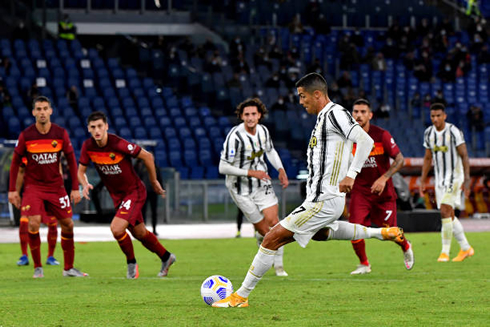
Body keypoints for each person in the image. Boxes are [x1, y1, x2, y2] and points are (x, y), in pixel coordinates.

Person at [213, 73, 410, 308]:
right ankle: (383, 233)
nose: (300, 101)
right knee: (320, 233)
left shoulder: (335, 114)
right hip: (321, 198)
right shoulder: (322, 118)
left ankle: (241, 296)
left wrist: (351, 174)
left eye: (302, 96)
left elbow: (365, 141)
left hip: (324, 200)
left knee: (270, 238)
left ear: (317, 94)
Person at [78, 111, 175, 279]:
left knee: (116, 229)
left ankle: (131, 264)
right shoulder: (88, 146)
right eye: (93, 127)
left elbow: (148, 156)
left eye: (100, 126)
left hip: (134, 192)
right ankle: (166, 257)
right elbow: (80, 171)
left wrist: (153, 182)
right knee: (139, 233)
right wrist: (84, 184)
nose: (97, 131)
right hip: (118, 197)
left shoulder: (118, 144)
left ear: (106, 126)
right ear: (88, 129)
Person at [8, 96, 86, 278]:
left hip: (56, 187)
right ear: (33, 112)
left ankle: (68, 268)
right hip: (33, 187)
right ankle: (38, 267)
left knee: (68, 224)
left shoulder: (60, 134)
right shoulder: (26, 135)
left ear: (51, 111)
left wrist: (75, 187)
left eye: (45, 108)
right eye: (38, 109)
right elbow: (15, 163)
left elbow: (72, 161)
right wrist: (13, 190)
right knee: (33, 223)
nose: (42, 112)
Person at [219, 98, 289, 277]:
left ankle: (279, 266)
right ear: (241, 116)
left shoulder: (263, 131)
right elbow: (223, 167)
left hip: (261, 183)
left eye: (253, 114)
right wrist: (250, 173)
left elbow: (270, 151)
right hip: (240, 189)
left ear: (259, 115)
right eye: (247, 114)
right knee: (265, 231)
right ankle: (261, 238)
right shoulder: (235, 137)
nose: (250, 118)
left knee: (275, 223)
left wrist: (280, 169)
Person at [348, 99, 414, 275]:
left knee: (390, 233)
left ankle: (406, 245)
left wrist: (384, 178)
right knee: (354, 230)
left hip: (383, 193)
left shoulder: (381, 135)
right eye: (356, 111)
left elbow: (400, 160)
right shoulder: (347, 138)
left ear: (370, 115)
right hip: (360, 192)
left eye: (363, 112)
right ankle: (364, 264)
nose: (359, 115)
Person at [420, 103, 474, 262]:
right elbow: (428, 158)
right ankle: (466, 248)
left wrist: (467, 180)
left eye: (438, 116)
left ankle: (445, 252)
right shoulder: (428, 133)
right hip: (440, 179)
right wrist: (423, 179)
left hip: (455, 177)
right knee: (448, 214)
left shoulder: (454, 131)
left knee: (444, 211)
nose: (435, 119)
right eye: (432, 116)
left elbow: (464, 156)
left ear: (444, 116)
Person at [15, 157, 59, 266]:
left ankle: (51, 256)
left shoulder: (51, 152)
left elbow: (59, 170)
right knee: (24, 222)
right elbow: (20, 171)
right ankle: (24, 255)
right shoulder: (27, 152)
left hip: (49, 191)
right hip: (31, 192)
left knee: (53, 223)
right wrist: (16, 192)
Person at [135, 157, 163, 236]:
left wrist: (161, 190)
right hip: (144, 192)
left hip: (153, 192)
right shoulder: (141, 167)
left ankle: (154, 229)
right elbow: (138, 179)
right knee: (143, 211)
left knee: (154, 211)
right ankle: (143, 229)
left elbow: (159, 179)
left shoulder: (156, 168)